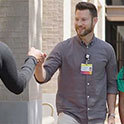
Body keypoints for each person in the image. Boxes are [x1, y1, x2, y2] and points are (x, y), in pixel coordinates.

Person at [33, 2, 118, 124]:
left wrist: (111, 115)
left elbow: (111, 85)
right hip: (69, 114)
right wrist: (38, 65)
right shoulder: (62, 48)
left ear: (95, 21)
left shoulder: (107, 50)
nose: (79, 24)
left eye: (83, 20)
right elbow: (43, 77)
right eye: (76, 19)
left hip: (97, 116)